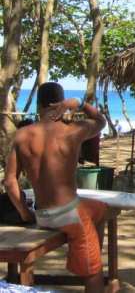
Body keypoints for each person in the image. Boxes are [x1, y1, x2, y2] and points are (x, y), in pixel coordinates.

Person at [3, 82, 109, 293]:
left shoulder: (22, 135)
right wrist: (78, 103)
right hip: (69, 215)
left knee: (101, 208)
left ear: (39, 106)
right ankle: (87, 259)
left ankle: (84, 252)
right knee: (94, 274)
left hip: (42, 214)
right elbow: (101, 121)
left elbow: (9, 182)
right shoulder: (73, 131)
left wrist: (26, 214)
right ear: (62, 104)